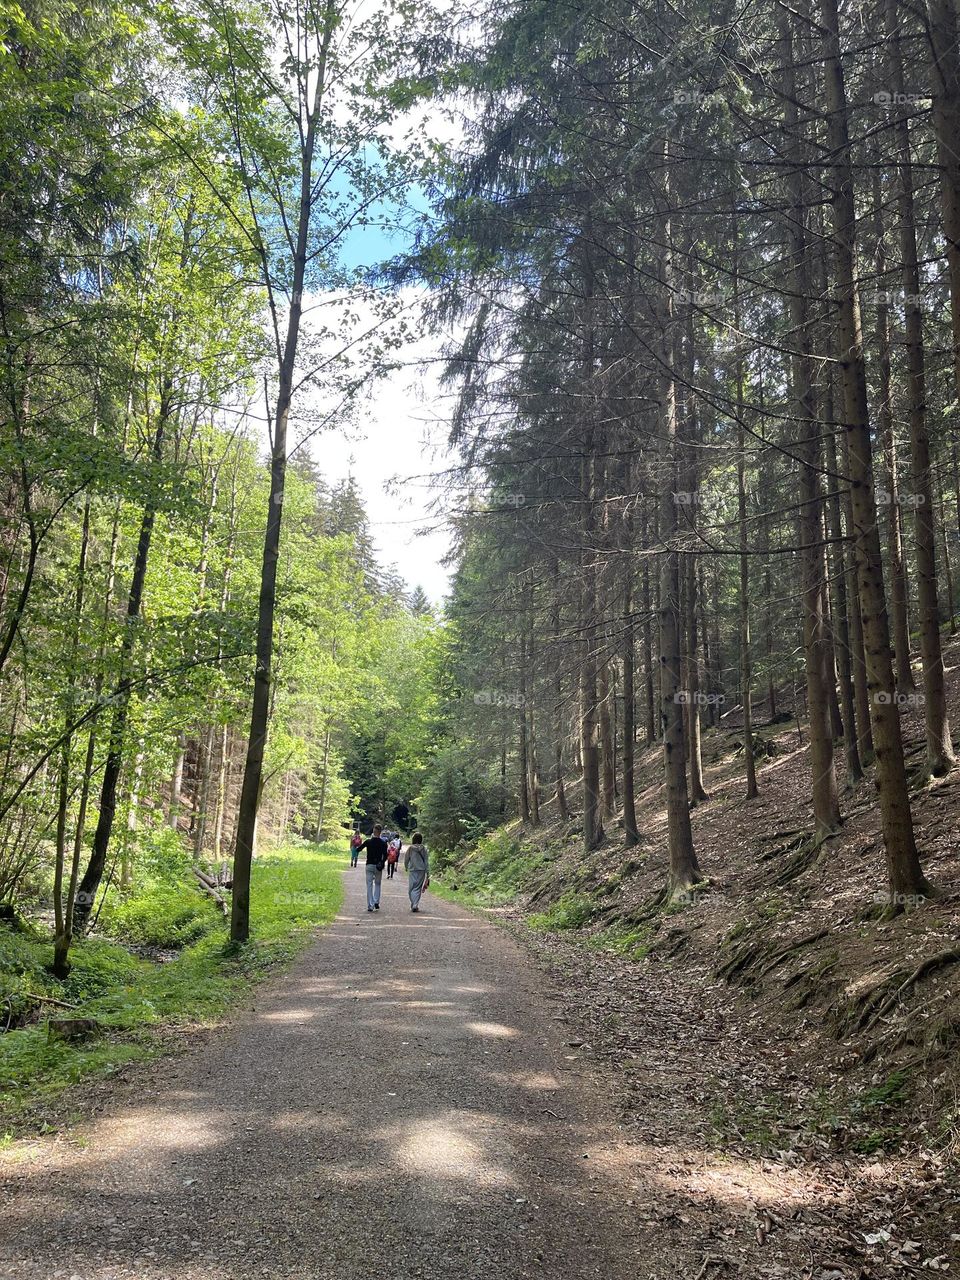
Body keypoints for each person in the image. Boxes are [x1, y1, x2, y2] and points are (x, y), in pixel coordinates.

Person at [358, 825, 389, 912]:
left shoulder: (368, 842)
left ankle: (370, 905)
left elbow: (359, 849)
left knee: (369, 885)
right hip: (378, 866)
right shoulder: (383, 843)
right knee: (378, 884)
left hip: (369, 865)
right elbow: (386, 856)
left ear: (374, 831)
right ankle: (376, 901)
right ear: (380, 832)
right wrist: (382, 862)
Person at [403, 832, 430, 913]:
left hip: (413, 870)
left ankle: (414, 904)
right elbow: (426, 861)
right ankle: (415, 904)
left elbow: (406, 858)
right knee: (417, 888)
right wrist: (427, 871)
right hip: (421, 870)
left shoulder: (410, 848)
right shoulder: (424, 848)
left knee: (411, 888)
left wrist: (406, 866)